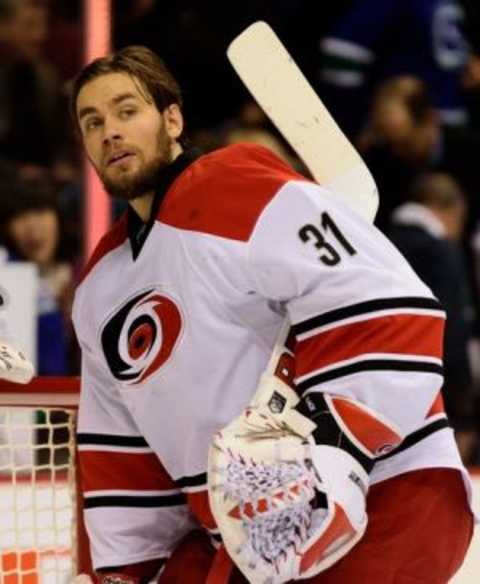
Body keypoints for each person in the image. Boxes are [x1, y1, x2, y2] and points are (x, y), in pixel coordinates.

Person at [70, 46, 474, 584]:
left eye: (127, 111)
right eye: (92, 121)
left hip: (387, 493)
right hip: (252, 536)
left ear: (172, 119)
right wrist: (128, 570)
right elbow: (119, 447)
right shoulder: (101, 288)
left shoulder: (234, 185)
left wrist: (336, 446)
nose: (110, 133)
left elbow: (392, 304)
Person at [388, 173, 478, 463]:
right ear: (447, 209)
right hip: (433, 395)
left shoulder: (381, 242)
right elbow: (449, 328)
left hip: (383, 386)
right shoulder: (440, 252)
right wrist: (463, 408)